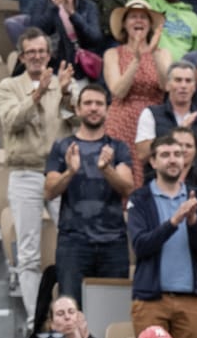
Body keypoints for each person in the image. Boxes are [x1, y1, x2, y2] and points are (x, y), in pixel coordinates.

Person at [0, 29, 75, 316]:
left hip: (57, 173)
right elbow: (11, 122)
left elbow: (79, 121)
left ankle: (69, 313)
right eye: (31, 52)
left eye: (41, 51)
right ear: (22, 56)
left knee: (71, 242)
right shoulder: (9, 85)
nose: (37, 57)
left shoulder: (64, 83)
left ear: (49, 54)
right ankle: (35, 317)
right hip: (25, 171)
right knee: (28, 252)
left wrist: (65, 94)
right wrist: (38, 93)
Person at [127, 128, 197, 338]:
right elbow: (141, 245)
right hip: (151, 300)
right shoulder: (140, 199)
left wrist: (193, 222)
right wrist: (175, 221)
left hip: (191, 300)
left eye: (178, 153)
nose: (173, 159)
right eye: (165, 154)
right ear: (153, 161)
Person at [44, 82, 136, 302]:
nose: (93, 108)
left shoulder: (118, 148)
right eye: (87, 103)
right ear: (77, 109)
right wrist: (70, 171)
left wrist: (107, 169)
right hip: (73, 243)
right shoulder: (62, 146)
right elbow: (49, 191)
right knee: (71, 311)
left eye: (98, 104)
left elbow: (127, 188)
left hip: (113, 242)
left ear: (107, 109)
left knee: (112, 309)